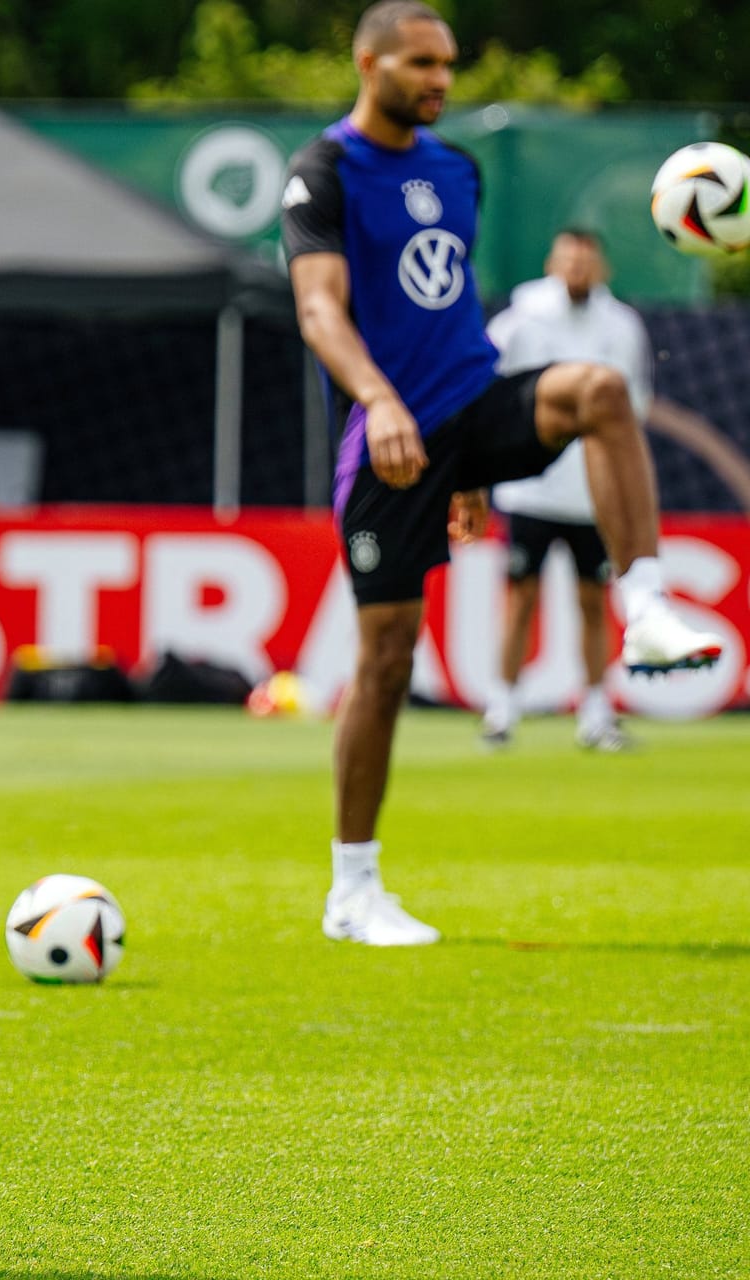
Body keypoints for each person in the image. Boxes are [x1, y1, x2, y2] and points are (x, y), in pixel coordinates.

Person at [282, 0, 721, 947]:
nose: (440, 79)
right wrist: (383, 400)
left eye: (448, 63)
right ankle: (352, 889)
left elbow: (446, 303)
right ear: (369, 61)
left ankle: (642, 601)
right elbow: (320, 313)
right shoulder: (323, 171)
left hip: (471, 405)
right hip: (385, 439)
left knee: (601, 391)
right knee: (387, 657)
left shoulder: (458, 168)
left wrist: (474, 465)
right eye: (421, 62)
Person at [479, 229, 653, 752]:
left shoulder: (622, 326)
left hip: (590, 493)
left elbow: (633, 408)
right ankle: (502, 708)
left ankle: (596, 713)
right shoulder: (521, 318)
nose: (577, 270)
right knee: (521, 597)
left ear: (601, 268)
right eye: (568, 260)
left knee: (593, 601)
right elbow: (491, 390)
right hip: (530, 487)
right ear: (553, 263)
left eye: (586, 262)